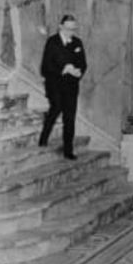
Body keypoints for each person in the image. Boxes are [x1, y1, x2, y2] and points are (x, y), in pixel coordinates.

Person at [38, 14, 87, 159]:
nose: (71, 32)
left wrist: (79, 72)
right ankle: (44, 136)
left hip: (71, 85)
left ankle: (68, 150)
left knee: (70, 117)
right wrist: (63, 69)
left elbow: (83, 64)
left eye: (73, 29)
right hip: (55, 84)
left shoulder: (77, 43)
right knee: (56, 108)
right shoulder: (52, 42)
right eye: (68, 29)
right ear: (60, 27)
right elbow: (45, 67)